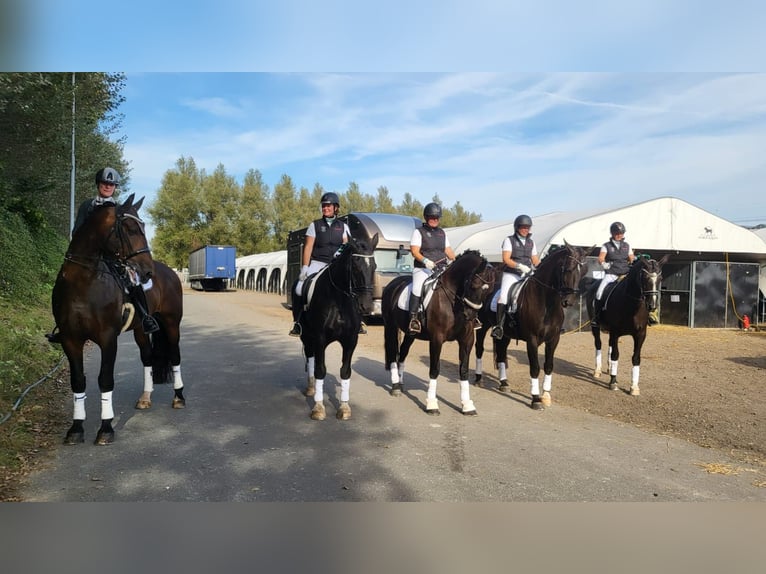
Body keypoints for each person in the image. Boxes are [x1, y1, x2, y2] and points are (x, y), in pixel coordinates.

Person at [46, 167, 159, 344]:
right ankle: (64, 326)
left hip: (111, 256)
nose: (108, 187)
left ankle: (145, 317)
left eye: (111, 184)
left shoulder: (117, 210)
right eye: (105, 183)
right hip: (88, 256)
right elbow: (78, 229)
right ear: (99, 184)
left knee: (133, 281)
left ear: (115, 187)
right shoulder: (87, 205)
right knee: (65, 280)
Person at [288, 192, 352, 337]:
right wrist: (305, 267)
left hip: (335, 265)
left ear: (336, 208)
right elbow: (308, 247)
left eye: (328, 206)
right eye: (323, 206)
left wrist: (339, 252)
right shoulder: (314, 225)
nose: (325, 208)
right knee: (299, 288)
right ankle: (298, 322)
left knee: (352, 287)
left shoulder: (343, 227)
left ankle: (356, 320)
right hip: (318, 263)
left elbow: (346, 244)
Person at [408, 202, 456, 334]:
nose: (434, 220)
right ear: (426, 217)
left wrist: (455, 260)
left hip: (441, 267)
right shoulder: (419, 232)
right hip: (423, 268)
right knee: (417, 288)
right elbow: (414, 251)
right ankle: (413, 319)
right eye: (431, 217)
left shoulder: (442, 233)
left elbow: (448, 250)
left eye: (436, 217)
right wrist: (425, 260)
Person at [492, 214, 541, 339]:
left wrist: (540, 268)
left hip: (528, 274)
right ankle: (499, 326)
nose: (525, 229)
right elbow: (506, 259)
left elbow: (535, 259)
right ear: (517, 227)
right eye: (523, 227)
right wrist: (519, 266)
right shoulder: (509, 240)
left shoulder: (531, 242)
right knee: (503, 297)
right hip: (512, 274)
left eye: (527, 227)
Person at [593, 221, 636, 325]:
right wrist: (604, 264)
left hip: (625, 274)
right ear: (612, 233)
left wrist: (635, 259)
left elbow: (631, 258)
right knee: (599, 293)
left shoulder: (627, 246)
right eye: (617, 233)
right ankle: (597, 317)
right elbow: (601, 258)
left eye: (621, 233)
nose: (619, 235)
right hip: (611, 274)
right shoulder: (606, 246)